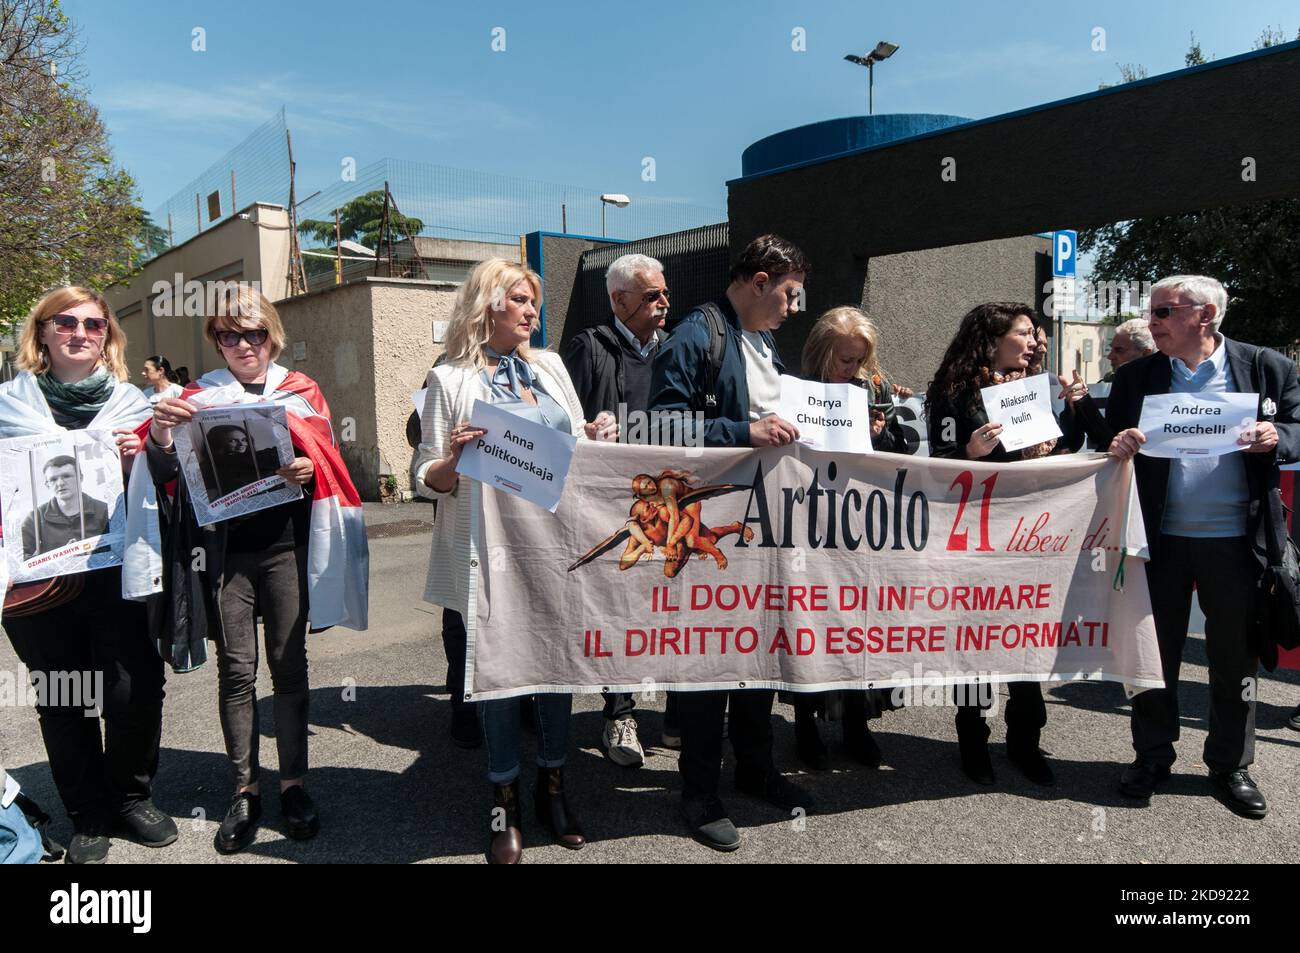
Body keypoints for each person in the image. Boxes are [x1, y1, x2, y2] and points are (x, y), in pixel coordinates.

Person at [147, 283, 369, 854]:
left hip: (286, 548)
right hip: (225, 555)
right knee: (237, 672)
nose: (243, 344)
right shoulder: (195, 397)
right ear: (216, 342)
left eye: (254, 334)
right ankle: (245, 790)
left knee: (288, 666)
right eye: (229, 335)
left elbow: (328, 461)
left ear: (273, 337)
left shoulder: (301, 391)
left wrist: (305, 468)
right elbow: (166, 475)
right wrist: (162, 431)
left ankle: (293, 783)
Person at [412, 258, 617, 864]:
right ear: (489, 304)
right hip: (484, 552)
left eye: (533, 301)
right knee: (499, 676)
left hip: (553, 544)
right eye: (521, 300)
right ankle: (504, 799)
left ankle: (553, 784)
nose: (533, 311)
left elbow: (574, 449)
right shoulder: (448, 379)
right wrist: (453, 460)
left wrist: (596, 439)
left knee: (554, 668)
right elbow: (426, 478)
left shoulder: (550, 366)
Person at [1106, 275, 1300, 819]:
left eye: (1165, 312)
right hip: (1158, 542)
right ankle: (1151, 757)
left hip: (1237, 544)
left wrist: (1276, 438)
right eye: (1152, 312)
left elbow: (1297, 427)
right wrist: (1118, 445)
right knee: (1153, 655)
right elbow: (1110, 444)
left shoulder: (1265, 367)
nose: (1154, 323)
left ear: (1206, 314)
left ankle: (1229, 765)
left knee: (1233, 655)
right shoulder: (1137, 376)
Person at [647, 233, 814, 852]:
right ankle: (698, 790)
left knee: (758, 650)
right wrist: (744, 429)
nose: (795, 308)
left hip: (766, 527)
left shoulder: (764, 342)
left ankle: (755, 767)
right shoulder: (699, 333)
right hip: (714, 528)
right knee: (708, 660)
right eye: (791, 294)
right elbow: (657, 423)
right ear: (762, 279)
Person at [0, 286, 172, 865]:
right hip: (38, 581)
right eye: (65, 321)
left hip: (117, 571)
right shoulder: (6, 408)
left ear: (108, 338)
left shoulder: (133, 407)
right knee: (62, 695)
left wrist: (138, 460)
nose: (80, 332)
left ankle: (129, 797)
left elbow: (171, 485)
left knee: (133, 687)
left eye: (94, 324)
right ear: (42, 333)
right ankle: (87, 811)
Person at [925, 301, 1090, 787]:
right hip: (978, 534)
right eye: (1023, 332)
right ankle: (972, 740)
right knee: (976, 641)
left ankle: (1025, 740)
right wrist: (970, 452)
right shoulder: (953, 391)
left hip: (1031, 533)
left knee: (1026, 637)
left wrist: (1076, 408)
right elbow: (939, 458)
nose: (1034, 341)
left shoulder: (1027, 390)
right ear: (993, 340)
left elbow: (1060, 450)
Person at [791, 306, 912, 769]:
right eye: (845, 360)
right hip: (808, 524)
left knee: (855, 627)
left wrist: (881, 436)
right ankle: (805, 726)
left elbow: (905, 451)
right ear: (822, 354)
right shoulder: (798, 391)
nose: (854, 369)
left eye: (860, 360)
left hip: (860, 526)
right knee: (809, 626)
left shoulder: (873, 388)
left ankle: (856, 725)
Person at [563, 252, 672, 766]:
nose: (664, 303)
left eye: (665, 293)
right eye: (652, 295)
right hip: (613, 506)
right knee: (618, 612)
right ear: (619, 300)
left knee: (671, 608)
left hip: (670, 506)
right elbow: (562, 422)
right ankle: (619, 714)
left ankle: (675, 716)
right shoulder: (589, 349)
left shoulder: (675, 352)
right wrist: (586, 429)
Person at [20, 455, 111, 559]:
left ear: (80, 478)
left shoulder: (105, 511)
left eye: (66, 476)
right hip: (56, 575)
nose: (60, 483)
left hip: (100, 574)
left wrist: (93, 554)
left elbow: (120, 548)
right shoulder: (35, 517)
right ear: (47, 484)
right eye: (53, 479)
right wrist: (58, 559)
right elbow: (20, 558)